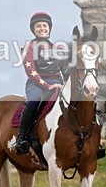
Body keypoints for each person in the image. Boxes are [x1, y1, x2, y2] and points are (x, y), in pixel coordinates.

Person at [12, 12, 66, 155]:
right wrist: (47, 86)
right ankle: (22, 136)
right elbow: (30, 70)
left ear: (49, 28)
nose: (42, 28)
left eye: (44, 25)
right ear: (33, 29)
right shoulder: (29, 46)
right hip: (36, 83)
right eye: (38, 26)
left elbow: (65, 69)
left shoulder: (58, 48)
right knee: (34, 101)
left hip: (58, 83)